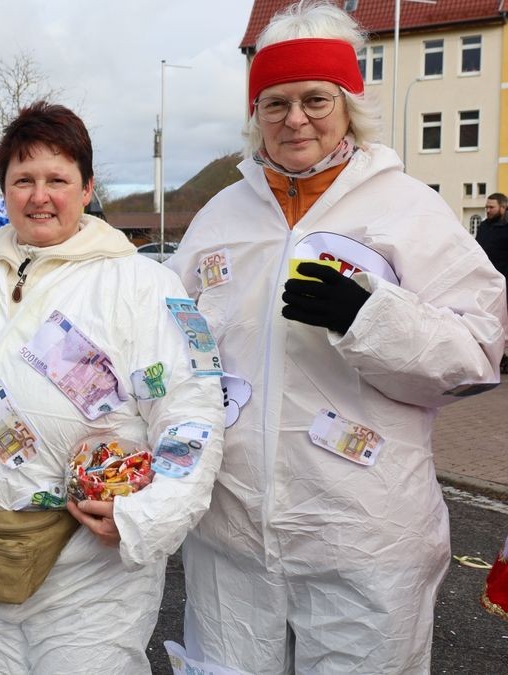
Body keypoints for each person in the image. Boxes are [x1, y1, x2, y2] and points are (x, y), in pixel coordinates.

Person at [165, 3, 508, 673]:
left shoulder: (406, 208)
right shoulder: (218, 217)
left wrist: (371, 318)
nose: (296, 119)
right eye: (276, 103)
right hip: (230, 534)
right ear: (255, 114)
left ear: (349, 104)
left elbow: (478, 350)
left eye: (316, 100)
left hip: (363, 536)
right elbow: (171, 348)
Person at [0, 101, 224, 673]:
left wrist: (147, 517)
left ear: (86, 188)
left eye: (57, 179)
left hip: (89, 573)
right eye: (24, 180)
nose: (40, 196)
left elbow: (193, 414)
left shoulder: (143, 284)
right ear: (5, 189)